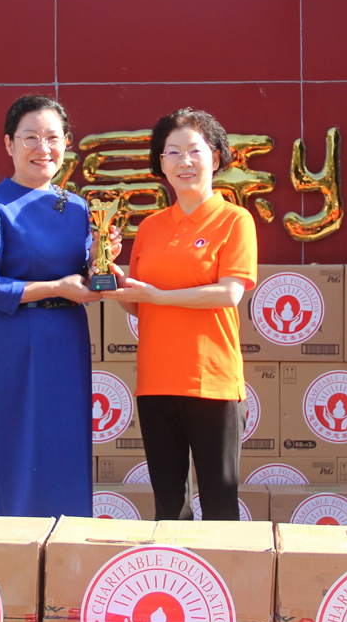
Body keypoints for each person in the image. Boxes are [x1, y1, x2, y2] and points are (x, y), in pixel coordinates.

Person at [102, 108, 258, 520]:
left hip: (212, 381)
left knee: (220, 506)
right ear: (161, 163)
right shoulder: (150, 227)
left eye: (194, 150)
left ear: (216, 157)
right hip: (156, 382)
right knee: (169, 508)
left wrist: (158, 295)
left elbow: (229, 293)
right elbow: (140, 304)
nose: (184, 162)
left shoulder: (235, 220)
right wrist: (113, 280)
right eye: (172, 152)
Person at [0, 95, 110, 517]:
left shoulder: (75, 206)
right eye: (30, 137)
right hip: (12, 338)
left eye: (53, 138)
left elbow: (84, 274)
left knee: (66, 443)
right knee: (16, 447)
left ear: (66, 144)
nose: (43, 148)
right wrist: (54, 287)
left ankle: (68, 538)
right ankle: (11, 542)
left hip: (66, 336)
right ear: (9, 143)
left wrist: (100, 259)